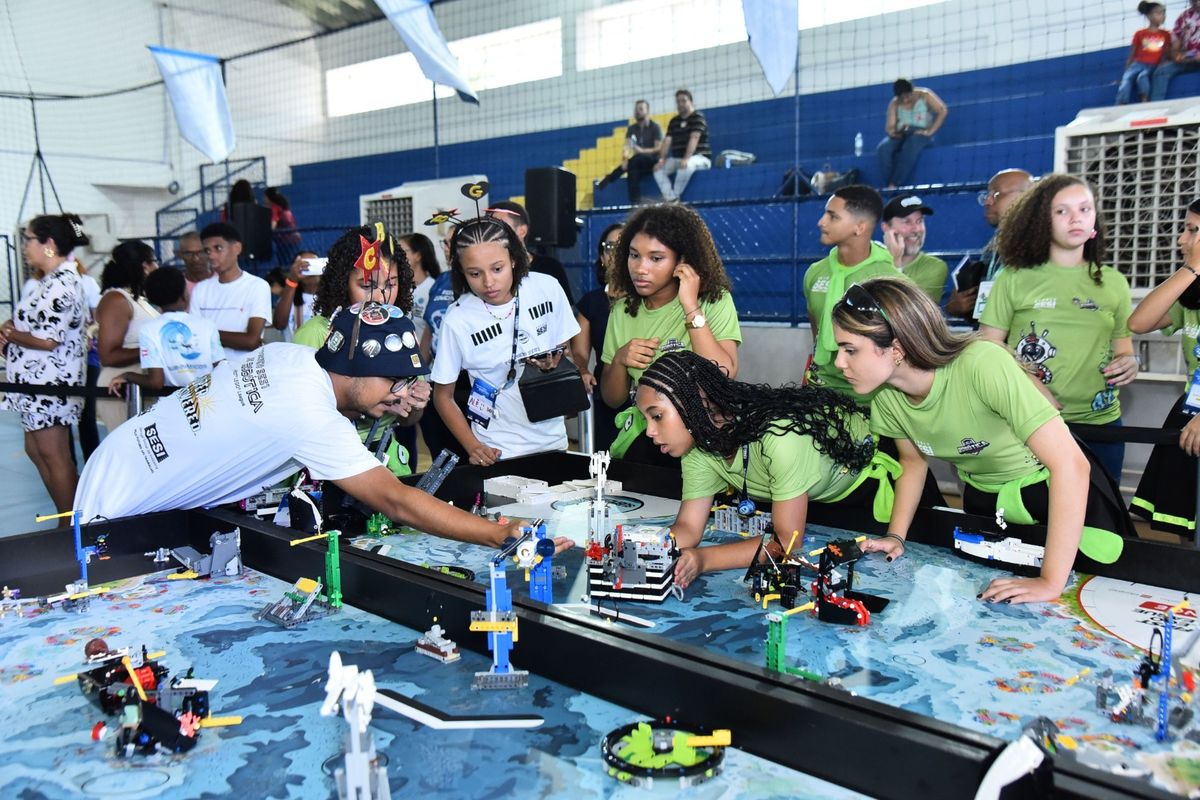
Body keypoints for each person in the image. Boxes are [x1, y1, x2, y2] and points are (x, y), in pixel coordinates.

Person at [73, 306, 571, 556]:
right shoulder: (310, 414)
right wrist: (498, 533)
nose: (400, 395)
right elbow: (396, 501)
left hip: (123, 457)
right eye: (394, 382)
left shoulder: (287, 355)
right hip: (124, 505)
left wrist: (373, 404)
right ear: (353, 367)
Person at [832, 276, 1130, 604]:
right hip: (984, 503)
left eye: (850, 350)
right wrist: (895, 536)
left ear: (897, 348)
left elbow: (1070, 465)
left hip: (1057, 498)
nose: (839, 362)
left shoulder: (981, 364)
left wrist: (1050, 581)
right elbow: (913, 462)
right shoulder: (887, 398)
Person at [636, 351, 895, 589]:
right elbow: (688, 528)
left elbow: (786, 542)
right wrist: (638, 549)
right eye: (646, 419)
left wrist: (703, 560)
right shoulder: (699, 448)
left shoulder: (780, 437)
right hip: (814, 498)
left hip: (867, 492)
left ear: (695, 403)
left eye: (657, 416)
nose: (649, 431)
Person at [980, 174, 1136, 484]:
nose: (1075, 218)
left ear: (1095, 218)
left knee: (1101, 512)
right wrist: (1030, 382)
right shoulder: (1013, 278)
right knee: (1038, 512)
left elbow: (1124, 348)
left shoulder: (1114, 282)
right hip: (1031, 421)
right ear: (1043, 220)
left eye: (1084, 209)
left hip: (1101, 424)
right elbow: (987, 347)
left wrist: (1129, 362)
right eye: (1062, 211)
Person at [431, 215, 580, 466]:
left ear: (513, 258)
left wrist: (553, 367)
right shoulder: (457, 319)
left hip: (553, 442)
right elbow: (442, 397)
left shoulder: (547, 288)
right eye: (475, 273)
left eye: (497, 269)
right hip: (499, 451)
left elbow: (567, 355)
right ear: (461, 272)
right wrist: (474, 446)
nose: (488, 282)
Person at [600, 204, 740, 465]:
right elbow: (612, 398)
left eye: (656, 258)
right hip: (647, 440)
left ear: (682, 261)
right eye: (634, 255)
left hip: (702, 443)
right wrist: (619, 360)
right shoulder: (622, 310)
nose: (640, 268)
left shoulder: (714, 301)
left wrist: (690, 306)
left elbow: (722, 374)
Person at [293, 225, 424, 476]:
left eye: (391, 284)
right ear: (342, 283)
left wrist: (414, 404)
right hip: (329, 467)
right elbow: (300, 415)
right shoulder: (317, 333)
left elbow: (409, 420)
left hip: (389, 464)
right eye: (366, 285)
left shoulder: (402, 334)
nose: (380, 297)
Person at [0, 214, 89, 520]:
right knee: (36, 450)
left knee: (54, 454)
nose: (25, 246)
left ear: (48, 244)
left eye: (28, 239)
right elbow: (33, 326)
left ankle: (72, 524)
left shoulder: (63, 283)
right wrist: (11, 332)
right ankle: (65, 516)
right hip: (34, 383)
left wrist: (11, 333)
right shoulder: (46, 281)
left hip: (51, 384)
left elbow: (49, 339)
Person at [1128, 198, 1200, 538]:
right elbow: (1139, 322)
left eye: (1192, 230)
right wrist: (1191, 270)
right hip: (1190, 410)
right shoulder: (1192, 295)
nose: (1182, 240)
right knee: (1186, 524)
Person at [804, 184, 900, 400]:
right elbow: (816, 329)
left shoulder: (890, 280)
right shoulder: (814, 273)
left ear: (859, 227)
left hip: (874, 398)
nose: (821, 222)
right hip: (821, 390)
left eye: (832, 216)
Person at [108, 267, 224, 396]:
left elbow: (155, 382)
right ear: (184, 295)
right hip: (209, 400)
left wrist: (127, 375)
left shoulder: (148, 330)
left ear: (152, 298)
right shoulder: (207, 325)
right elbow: (222, 370)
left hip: (173, 402)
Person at [945, 168, 1034, 320]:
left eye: (996, 195)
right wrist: (957, 306)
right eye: (987, 195)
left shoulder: (1040, 247)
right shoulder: (993, 248)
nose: (987, 202)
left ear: (1024, 197)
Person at [94, 241, 159, 434]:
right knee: (131, 445)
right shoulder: (116, 299)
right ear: (144, 266)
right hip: (120, 388)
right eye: (154, 261)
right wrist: (153, 350)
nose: (157, 267)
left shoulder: (137, 298)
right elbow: (108, 355)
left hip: (139, 384)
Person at [572, 223, 624, 451]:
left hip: (648, 399)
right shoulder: (591, 302)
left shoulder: (649, 301)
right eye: (611, 247)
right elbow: (579, 351)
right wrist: (583, 370)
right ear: (602, 257)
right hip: (607, 395)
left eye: (625, 247)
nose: (617, 253)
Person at [191, 222, 272, 364]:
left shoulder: (257, 286)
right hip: (209, 372)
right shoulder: (200, 289)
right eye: (207, 251)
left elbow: (251, 341)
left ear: (237, 248)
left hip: (244, 370)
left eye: (218, 248)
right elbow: (193, 338)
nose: (212, 256)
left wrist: (206, 334)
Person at [487, 200, 575, 307]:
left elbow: (564, 310)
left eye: (499, 226)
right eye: (487, 228)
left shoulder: (550, 267)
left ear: (522, 231)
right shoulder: (484, 271)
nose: (491, 233)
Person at [876, 79, 948, 189]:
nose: (905, 100)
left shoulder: (925, 95)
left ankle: (895, 183)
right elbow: (890, 127)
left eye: (907, 96)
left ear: (912, 91)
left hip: (920, 133)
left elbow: (942, 110)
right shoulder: (894, 103)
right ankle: (888, 182)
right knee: (883, 148)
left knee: (911, 145)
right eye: (901, 98)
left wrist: (930, 131)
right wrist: (894, 133)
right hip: (901, 134)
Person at [881, 194, 947, 304]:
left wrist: (896, 262)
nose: (916, 229)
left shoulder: (935, 267)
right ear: (886, 228)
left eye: (919, 221)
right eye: (907, 222)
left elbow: (909, 310)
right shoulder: (870, 261)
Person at [596, 100, 663, 205]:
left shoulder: (655, 127)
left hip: (652, 161)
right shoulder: (631, 129)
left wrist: (642, 151)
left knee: (636, 159)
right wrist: (625, 160)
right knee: (632, 170)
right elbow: (627, 147)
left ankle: (610, 178)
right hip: (637, 163)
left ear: (647, 111)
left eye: (640, 109)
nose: (637, 111)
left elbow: (658, 148)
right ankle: (636, 203)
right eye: (636, 109)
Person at [653, 89, 712, 203]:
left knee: (686, 165)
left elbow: (694, 138)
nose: (680, 104)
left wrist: (686, 158)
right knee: (657, 169)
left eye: (683, 101)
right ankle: (671, 198)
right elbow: (667, 141)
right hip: (678, 159)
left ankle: (675, 199)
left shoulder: (698, 117)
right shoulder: (674, 121)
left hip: (699, 158)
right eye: (678, 101)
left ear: (691, 102)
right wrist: (661, 160)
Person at [1117, 2, 1171, 104]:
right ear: (1149, 16)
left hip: (1153, 64)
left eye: (1163, 13)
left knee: (1142, 76)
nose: (1163, 16)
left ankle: (1144, 100)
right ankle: (1122, 102)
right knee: (1127, 79)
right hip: (1138, 63)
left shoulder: (1166, 34)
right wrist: (1127, 69)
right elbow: (1132, 54)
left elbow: (1166, 52)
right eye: (1159, 13)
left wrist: (1163, 63)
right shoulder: (1140, 34)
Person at [1149, 0, 1200, 100]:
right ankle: (1155, 106)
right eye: (1194, 1)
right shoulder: (1183, 17)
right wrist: (1176, 56)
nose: (1197, 3)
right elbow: (1175, 47)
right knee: (1161, 71)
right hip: (1190, 60)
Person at [400, 232, 442, 346]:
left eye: (402, 251)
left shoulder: (434, 289)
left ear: (418, 256)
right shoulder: (397, 289)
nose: (397, 256)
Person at [271, 250, 321, 341]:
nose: (310, 269)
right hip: (295, 349)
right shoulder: (288, 298)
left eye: (314, 264)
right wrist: (292, 280)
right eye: (304, 265)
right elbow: (279, 325)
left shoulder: (332, 298)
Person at [265, 187, 302, 264]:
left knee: (285, 264)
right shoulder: (283, 206)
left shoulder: (274, 208)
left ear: (268, 198)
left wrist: (266, 232)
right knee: (292, 262)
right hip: (295, 239)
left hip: (285, 242)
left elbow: (273, 225)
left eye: (265, 197)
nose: (264, 199)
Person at [177, 231, 211, 302]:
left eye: (201, 252)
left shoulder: (224, 281)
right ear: (180, 255)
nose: (196, 259)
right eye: (189, 253)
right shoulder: (176, 286)